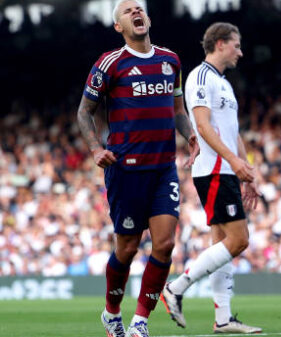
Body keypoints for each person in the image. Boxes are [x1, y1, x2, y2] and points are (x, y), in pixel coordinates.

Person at [77, 1, 199, 336]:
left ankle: (140, 322)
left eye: (139, 9)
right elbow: (83, 112)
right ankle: (111, 312)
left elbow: (177, 108)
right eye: (127, 11)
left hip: (163, 168)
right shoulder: (109, 63)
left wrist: (190, 135)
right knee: (127, 248)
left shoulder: (170, 60)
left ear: (147, 17)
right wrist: (95, 148)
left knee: (164, 245)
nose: (136, 12)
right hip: (125, 170)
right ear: (119, 26)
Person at [160, 22, 262, 334]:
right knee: (238, 240)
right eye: (236, 45)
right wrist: (233, 162)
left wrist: (246, 173)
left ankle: (223, 319)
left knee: (221, 244)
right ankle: (176, 288)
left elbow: (233, 133)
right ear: (219, 44)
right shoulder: (200, 77)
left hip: (227, 169)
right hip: (215, 169)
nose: (241, 52)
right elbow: (202, 127)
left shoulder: (223, 83)